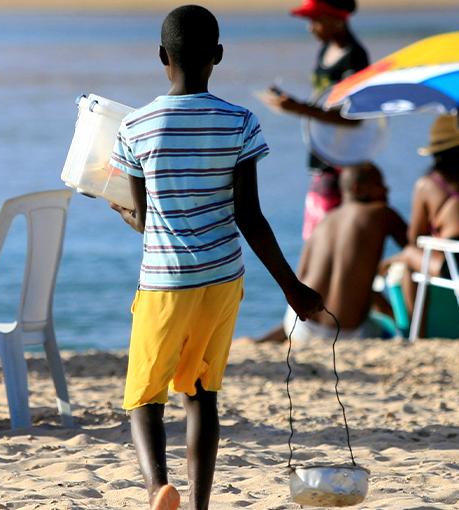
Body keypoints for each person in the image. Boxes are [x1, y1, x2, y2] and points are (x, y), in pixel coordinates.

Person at [107, 6, 324, 509]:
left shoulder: (136, 126)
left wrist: (121, 208)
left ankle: (158, 488)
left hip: (163, 282)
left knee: (144, 398)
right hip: (222, 279)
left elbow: (143, 219)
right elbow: (250, 215)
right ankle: (200, 505)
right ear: (218, 57)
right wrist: (293, 287)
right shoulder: (240, 122)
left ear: (162, 57)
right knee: (202, 393)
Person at [250, 162, 407, 343]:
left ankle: (263, 340)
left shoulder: (324, 222)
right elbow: (417, 246)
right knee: (388, 327)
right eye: (380, 185)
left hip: (299, 326)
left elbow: (301, 274)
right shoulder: (381, 213)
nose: (387, 190)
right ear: (359, 189)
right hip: (344, 334)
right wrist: (391, 261)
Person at [258, 0, 369, 240]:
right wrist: (295, 105)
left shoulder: (355, 57)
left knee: (329, 238)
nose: (311, 28)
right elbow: (324, 103)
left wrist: (299, 109)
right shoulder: (326, 50)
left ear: (338, 21)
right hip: (321, 156)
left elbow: (354, 117)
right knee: (316, 236)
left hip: (342, 161)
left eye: (317, 20)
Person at [387, 114, 459, 329]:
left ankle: (417, 330)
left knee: (409, 256)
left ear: (435, 152)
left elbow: (414, 238)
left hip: (457, 264)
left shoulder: (428, 184)